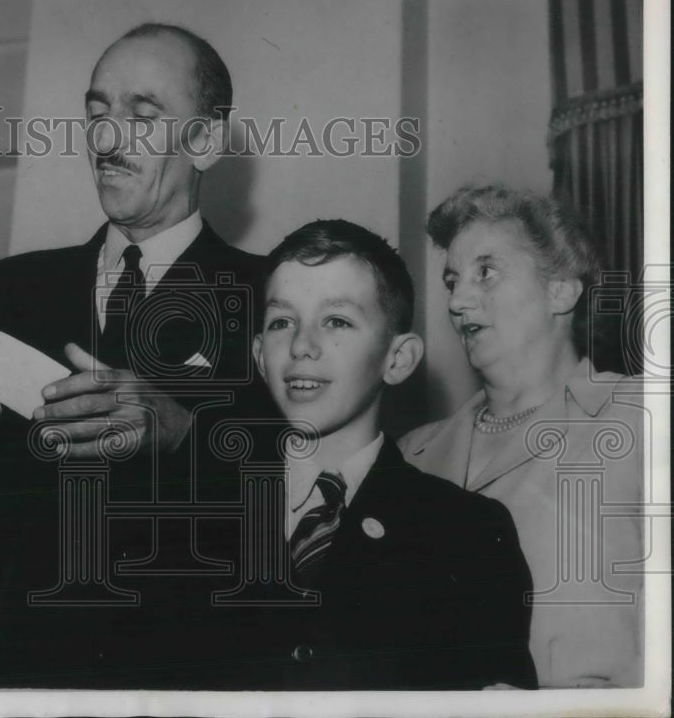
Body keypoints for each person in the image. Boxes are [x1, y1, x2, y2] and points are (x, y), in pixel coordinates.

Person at [0, 22, 277, 687]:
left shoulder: (272, 300)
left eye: (142, 113)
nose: (107, 138)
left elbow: (303, 503)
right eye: (97, 111)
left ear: (207, 140)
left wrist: (184, 434)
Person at [240, 218, 537, 689]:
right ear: (259, 355)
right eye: (281, 322)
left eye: (336, 320)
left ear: (397, 360)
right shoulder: (187, 513)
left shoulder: (468, 534)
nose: (301, 346)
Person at [399, 184, 644, 687]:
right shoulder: (411, 455)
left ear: (561, 290)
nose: (458, 301)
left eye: (485, 272)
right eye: (452, 281)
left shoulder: (641, 417)